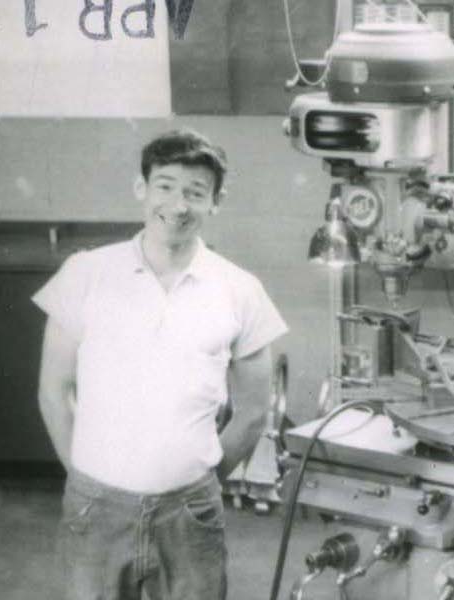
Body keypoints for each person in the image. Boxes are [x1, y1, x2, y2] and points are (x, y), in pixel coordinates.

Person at [34, 129, 288, 599]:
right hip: (95, 509)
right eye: (165, 186)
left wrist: (199, 482)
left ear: (216, 201)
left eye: (196, 192)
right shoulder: (87, 273)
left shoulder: (239, 288)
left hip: (190, 513)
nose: (178, 204)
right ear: (142, 189)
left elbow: (255, 409)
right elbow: (54, 389)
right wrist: (84, 477)